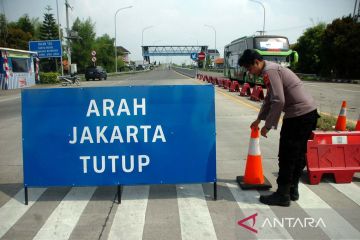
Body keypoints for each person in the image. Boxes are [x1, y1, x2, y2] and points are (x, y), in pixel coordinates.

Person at [238, 49, 319, 207]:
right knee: (297, 155)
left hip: (298, 116)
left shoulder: (270, 71)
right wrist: (259, 119)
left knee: (287, 155)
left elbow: (279, 101)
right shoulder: (271, 70)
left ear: (256, 62)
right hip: (309, 114)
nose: (249, 72)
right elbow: (269, 98)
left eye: (249, 68)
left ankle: (282, 195)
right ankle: (292, 190)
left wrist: (267, 126)